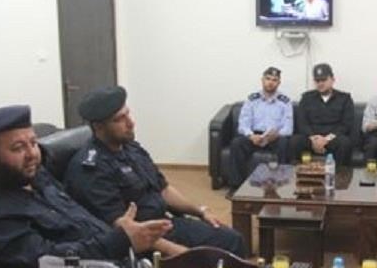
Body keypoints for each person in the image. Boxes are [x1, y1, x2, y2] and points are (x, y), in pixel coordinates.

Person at [0, 105, 172, 268]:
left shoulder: (32, 175)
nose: (32, 154)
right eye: (18, 148)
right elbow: (47, 262)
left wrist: (119, 234)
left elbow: (78, 216)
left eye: (33, 143)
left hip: (111, 267)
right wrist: (119, 240)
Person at [64, 86, 246, 258]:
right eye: (119, 119)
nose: (130, 123)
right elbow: (124, 231)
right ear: (98, 127)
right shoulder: (90, 170)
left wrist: (201, 211)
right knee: (210, 259)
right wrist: (182, 255)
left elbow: (163, 189)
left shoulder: (130, 148)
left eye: (128, 114)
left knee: (232, 239)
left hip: (165, 225)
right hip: (143, 243)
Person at [228, 67, 293, 191]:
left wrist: (277, 134)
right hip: (255, 136)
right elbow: (243, 124)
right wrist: (251, 135)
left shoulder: (285, 102)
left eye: (274, 80)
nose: (270, 82)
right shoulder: (252, 100)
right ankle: (236, 186)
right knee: (237, 143)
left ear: (279, 83)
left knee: (285, 143)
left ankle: (282, 186)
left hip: (274, 137)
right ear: (262, 80)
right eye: (268, 79)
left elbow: (288, 128)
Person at [290, 63, 355, 165]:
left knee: (344, 143)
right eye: (317, 81)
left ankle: (340, 175)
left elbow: (346, 124)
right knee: (295, 141)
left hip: (333, 138)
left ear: (332, 80)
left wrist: (326, 139)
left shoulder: (345, 98)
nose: (320, 83)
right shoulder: (306, 98)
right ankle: (298, 174)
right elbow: (302, 122)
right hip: (311, 137)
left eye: (323, 80)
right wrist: (314, 138)